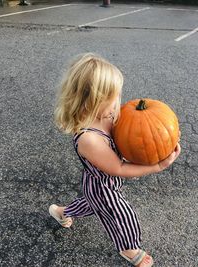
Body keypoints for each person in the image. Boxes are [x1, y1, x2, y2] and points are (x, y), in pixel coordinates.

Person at [49, 53, 181, 267]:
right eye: (113, 98)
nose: (117, 104)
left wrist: (160, 135)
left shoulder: (104, 115)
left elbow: (129, 135)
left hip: (99, 184)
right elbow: (118, 167)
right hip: (102, 186)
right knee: (122, 215)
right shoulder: (89, 139)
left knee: (92, 205)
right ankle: (129, 249)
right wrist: (157, 165)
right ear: (92, 102)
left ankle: (61, 212)